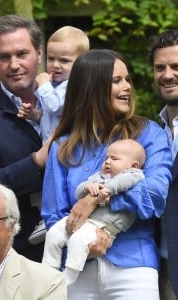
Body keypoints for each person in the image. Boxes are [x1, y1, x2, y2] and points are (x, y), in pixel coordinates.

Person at [42, 49, 172, 299]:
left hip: (134, 265)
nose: (127, 87)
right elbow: (53, 213)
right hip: (75, 269)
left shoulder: (148, 134)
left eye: (127, 79)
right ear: (92, 87)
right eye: (116, 81)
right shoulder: (62, 147)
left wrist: (97, 199)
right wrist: (81, 247)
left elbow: (155, 195)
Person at [0, 14, 50, 262]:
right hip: (22, 254)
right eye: (4, 57)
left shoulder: (74, 101)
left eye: (22, 54)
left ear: (39, 53)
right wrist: (36, 162)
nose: (14, 64)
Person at [42, 139, 146, 285]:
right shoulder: (99, 176)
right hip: (82, 220)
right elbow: (79, 191)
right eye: (106, 158)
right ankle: (48, 269)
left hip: (102, 226)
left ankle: (69, 275)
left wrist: (107, 189)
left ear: (133, 165)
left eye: (114, 158)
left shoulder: (135, 174)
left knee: (77, 241)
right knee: (53, 234)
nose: (108, 162)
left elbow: (123, 182)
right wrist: (87, 187)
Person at [17, 25, 90, 143]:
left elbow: (54, 107)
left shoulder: (74, 85)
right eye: (51, 58)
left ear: (82, 63)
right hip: (50, 149)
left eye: (64, 60)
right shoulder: (55, 85)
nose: (55, 65)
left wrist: (44, 85)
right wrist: (34, 115)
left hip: (66, 150)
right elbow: (50, 118)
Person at [148, 28, 178, 300]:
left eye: (176, 66)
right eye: (160, 67)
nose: (167, 75)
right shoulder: (152, 134)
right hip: (159, 266)